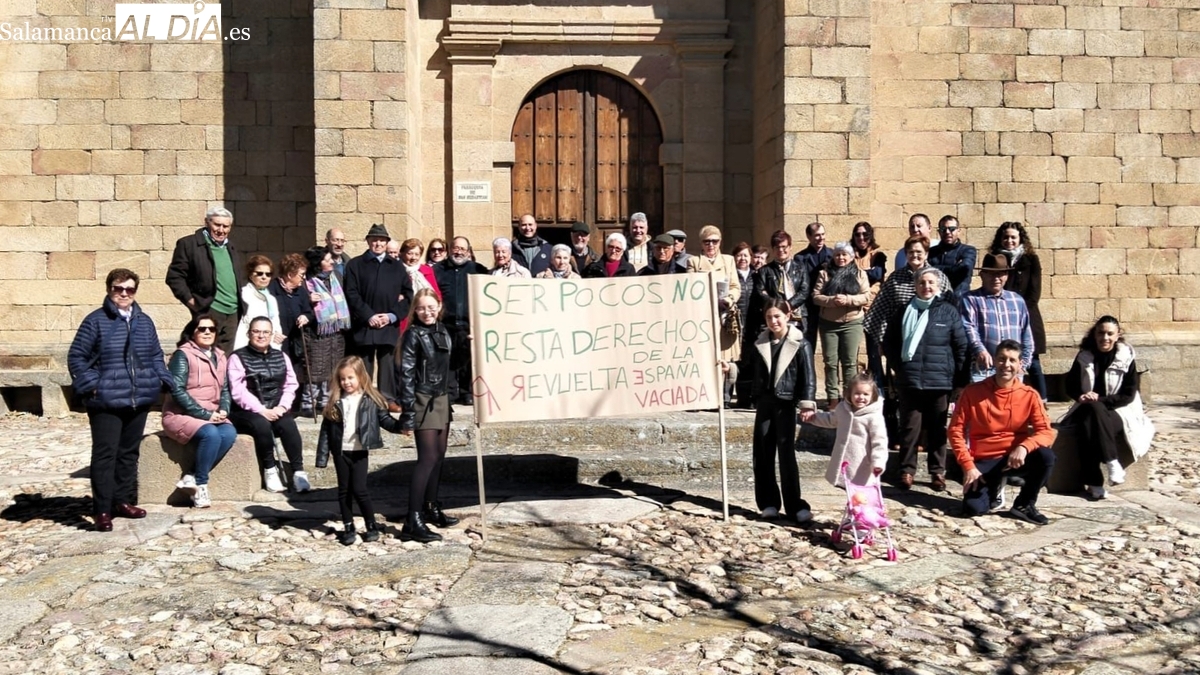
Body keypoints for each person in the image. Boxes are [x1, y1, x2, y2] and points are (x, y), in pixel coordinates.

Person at [69, 268, 173, 532]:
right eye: (119, 289)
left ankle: (122, 501)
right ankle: (102, 509)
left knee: (128, 453)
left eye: (129, 289)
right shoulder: (95, 321)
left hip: (138, 398)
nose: (124, 294)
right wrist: (93, 385)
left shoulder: (144, 321)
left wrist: (162, 380)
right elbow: (76, 357)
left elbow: (155, 355)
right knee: (106, 455)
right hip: (106, 400)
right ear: (109, 289)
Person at [948, 340, 1056, 524]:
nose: (1006, 365)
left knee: (1046, 457)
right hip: (985, 459)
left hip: (1015, 457)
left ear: (1020, 365)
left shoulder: (1029, 394)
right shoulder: (972, 392)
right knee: (974, 508)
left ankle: (1024, 504)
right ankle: (995, 487)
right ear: (994, 361)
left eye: (1012, 360)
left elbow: (1046, 432)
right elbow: (955, 430)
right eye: (1002, 359)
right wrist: (968, 466)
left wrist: (1024, 446)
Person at [882, 267, 968, 492]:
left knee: (937, 428)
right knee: (909, 428)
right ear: (915, 286)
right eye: (922, 283)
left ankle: (937, 472)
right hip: (910, 380)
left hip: (939, 381)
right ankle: (906, 471)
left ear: (938, 286)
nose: (926, 287)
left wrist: (959, 379)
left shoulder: (948, 312)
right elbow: (889, 342)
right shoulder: (903, 311)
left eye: (930, 283)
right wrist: (899, 368)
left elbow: (960, 346)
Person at [1062, 316, 1155, 500]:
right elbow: (1070, 385)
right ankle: (1112, 462)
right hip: (1087, 407)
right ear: (1094, 334)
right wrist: (1081, 396)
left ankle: (1095, 482)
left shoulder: (1126, 356)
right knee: (1091, 417)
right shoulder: (1084, 356)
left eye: (1110, 334)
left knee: (1091, 421)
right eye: (1101, 333)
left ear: (1117, 335)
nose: (1105, 338)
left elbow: (1128, 394)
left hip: (1120, 410)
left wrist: (1101, 400)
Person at [316, 356, 405, 545]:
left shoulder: (371, 400)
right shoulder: (336, 401)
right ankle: (349, 527)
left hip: (359, 450)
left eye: (350, 378)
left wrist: (400, 427)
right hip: (341, 451)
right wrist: (322, 457)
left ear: (361, 377)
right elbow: (326, 431)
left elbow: (385, 420)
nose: (346, 382)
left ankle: (371, 524)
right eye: (342, 379)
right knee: (344, 491)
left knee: (360, 489)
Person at [397, 289, 461, 542]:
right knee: (427, 458)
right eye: (421, 308)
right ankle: (412, 519)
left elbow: (453, 362)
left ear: (439, 306)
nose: (427, 312)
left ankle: (431, 507)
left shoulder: (442, 330)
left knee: (440, 456)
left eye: (431, 306)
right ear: (415, 310)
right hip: (423, 398)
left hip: (441, 397)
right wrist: (408, 412)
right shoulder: (413, 334)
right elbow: (406, 375)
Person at [750, 298, 816, 524]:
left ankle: (795, 504)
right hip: (765, 404)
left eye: (777, 316)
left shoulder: (801, 344)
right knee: (763, 454)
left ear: (787, 316)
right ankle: (768, 502)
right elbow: (749, 367)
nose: (773, 321)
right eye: (769, 317)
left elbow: (809, 377)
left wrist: (807, 403)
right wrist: (732, 368)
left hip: (786, 404)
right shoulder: (760, 342)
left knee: (786, 455)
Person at [162, 314, 238, 509]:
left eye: (211, 329)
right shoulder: (183, 355)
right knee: (211, 434)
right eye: (201, 329)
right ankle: (201, 485)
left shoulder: (220, 356)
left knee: (229, 433)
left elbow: (225, 389)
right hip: (181, 414)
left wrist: (224, 409)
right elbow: (176, 389)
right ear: (192, 332)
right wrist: (205, 415)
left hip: (212, 413)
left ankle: (192, 475)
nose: (206, 332)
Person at [228, 317, 310, 493]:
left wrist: (282, 407)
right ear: (249, 333)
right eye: (256, 331)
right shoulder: (237, 357)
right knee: (261, 424)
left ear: (271, 334)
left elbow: (291, 384)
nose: (261, 335)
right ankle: (270, 469)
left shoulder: (281, 356)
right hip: (246, 410)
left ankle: (298, 472)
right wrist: (261, 410)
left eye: (265, 332)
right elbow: (238, 390)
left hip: (276, 406)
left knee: (288, 424)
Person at [343, 223, 412, 409]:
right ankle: (365, 397)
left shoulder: (397, 266)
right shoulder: (355, 265)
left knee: (388, 363)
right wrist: (368, 316)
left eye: (382, 240)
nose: (378, 243)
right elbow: (351, 293)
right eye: (374, 240)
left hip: (388, 324)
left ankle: (388, 399)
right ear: (368, 241)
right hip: (365, 324)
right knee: (364, 363)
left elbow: (408, 296)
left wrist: (391, 316)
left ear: (387, 242)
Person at [166, 206, 246, 352]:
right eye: (217, 225)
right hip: (209, 309)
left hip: (233, 312)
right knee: (204, 353)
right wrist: (190, 301)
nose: (221, 230)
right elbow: (174, 276)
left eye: (226, 226)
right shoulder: (189, 244)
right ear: (207, 223)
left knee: (224, 358)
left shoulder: (231, 247)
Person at [862, 235, 951, 352]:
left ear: (926, 254)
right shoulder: (895, 278)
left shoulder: (938, 277)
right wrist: (883, 340)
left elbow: (950, 309)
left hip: (933, 340)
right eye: (911, 252)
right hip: (901, 339)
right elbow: (880, 311)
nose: (915, 255)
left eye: (919, 252)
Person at [800, 371, 888, 488]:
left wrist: (878, 462)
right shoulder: (843, 409)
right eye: (857, 393)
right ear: (849, 394)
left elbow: (879, 442)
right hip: (844, 462)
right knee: (848, 492)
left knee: (861, 497)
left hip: (863, 464)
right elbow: (831, 420)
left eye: (865, 394)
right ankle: (850, 507)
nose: (861, 397)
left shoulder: (873, 416)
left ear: (872, 396)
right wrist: (813, 418)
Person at [991, 221, 1047, 401]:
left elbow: (1034, 292)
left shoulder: (1031, 259)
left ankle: (1042, 400)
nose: (1009, 240)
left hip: (1027, 316)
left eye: (1013, 237)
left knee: (1033, 363)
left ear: (1020, 239)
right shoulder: (996, 259)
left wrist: (1018, 311)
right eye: (1005, 237)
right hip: (1002, 317)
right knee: (1007, 358)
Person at [811, 242, 871, 408]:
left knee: (850, 362)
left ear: (851, 257)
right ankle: (833, 397)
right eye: (838, 254)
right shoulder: (824, 274)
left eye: (844, 254)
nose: (841, 258)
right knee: (830, 361)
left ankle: (849, 396)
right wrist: (831, 301)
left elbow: (866, 296)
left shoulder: (860, 274)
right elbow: (816, 296)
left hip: (852, 322)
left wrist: (849, 300)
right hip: (828, 323)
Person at [688, 225, 742, 406]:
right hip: (703, 316)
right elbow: (690, 288)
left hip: (724, 316)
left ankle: (724, 397)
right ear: (701, 243)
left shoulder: (728, 261)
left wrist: (730, 299)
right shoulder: (694, 262)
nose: (711, 245)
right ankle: (706, 397)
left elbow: (735, 286)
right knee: (706, 357)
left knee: (725, 358)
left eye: (715, 241)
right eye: (707, 241)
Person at [960, 253, 1034, 382]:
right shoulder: (970, 299)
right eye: (991, 274)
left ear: (1007, 276)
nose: (996, 278)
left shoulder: (1017, 300)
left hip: (1012, 368)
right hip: (984, 368)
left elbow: (1026, 333)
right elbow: (968, 328)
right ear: (982, 275)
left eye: (1001, 274)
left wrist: (1025, 362)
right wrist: (980, 351)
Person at [435, 237, 489, 404]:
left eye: (462, 248)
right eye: (455, 247)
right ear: (449, 249)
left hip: (469, 324)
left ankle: (467, 393)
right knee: (447, 359)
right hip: (446, 324)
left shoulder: (479, 270)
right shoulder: (438, 270)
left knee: (467, 361)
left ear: (468, 250)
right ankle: (450, 393)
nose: (458, 251)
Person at [303, 246, 350, 414]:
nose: (331, 262)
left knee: (332, 366)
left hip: (336, 331)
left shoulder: (335, 277)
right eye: (327, 259)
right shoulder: (306, 281)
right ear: (317, 263)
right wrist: (308, 299)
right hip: (317, 331)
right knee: (316, 366)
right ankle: (309, 402)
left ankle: (326, 400)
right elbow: (299, 302)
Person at [268, 253, 315, 393]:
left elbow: (309, 312)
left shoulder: (301, 291)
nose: (304, 278)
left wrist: (306, 317)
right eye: (301, 274)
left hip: (295, 345)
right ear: (289, 274)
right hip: (277, 343)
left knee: (294, 379)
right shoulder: (271, 290)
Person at [851, 221, 887, 387]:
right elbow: (847, 279)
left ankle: (879, 391)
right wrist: (867, 273)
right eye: (858, 234)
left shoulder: (878, 256)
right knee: (851, 352)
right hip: (853, 308)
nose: (861, 238)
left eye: (865, 234)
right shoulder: (849, 254)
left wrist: (857, 274)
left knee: (874, 352)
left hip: (873, 309)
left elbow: (877, 274)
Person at [756, 229, 810, 334]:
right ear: (773, 249)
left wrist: (789, 305)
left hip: (797, 317)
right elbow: (760, 292)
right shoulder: (765, 270)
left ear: (790, 247)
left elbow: (804, 291)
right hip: (774, 318)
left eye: (784, 246)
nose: (781, 250)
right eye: (777, 247)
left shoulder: (801, 268)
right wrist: (779, 307)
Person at [232, 255, 283, 352]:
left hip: (270, 348)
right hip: (247, 347)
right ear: (251, 275)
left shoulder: (271, 299)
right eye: (260, 273)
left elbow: (275, 322)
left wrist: (277, 334)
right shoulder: (243, 294)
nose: (264, 277)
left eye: (268, 274)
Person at [795, 222, 833, 350]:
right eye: (817, 235)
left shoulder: (833, 255)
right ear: (809, 237)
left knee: (830, 345)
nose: (821, 238)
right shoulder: (800, 258)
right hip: (809, 306)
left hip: (829, 306)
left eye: (823, 234)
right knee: (808, 342)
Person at [928, 215, 976, 302]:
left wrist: (934, 269)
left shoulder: (968, 250)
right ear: (939, 232)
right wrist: (954, 268)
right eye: (943, 229)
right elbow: (924, 271)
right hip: (934, 301)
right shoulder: (931, 252)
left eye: (952, 229)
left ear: (958, 231)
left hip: (959, 300)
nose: (947, 232)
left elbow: (964, 268)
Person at [732, 242, 756, 408]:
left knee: (750, 362)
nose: (742, 258)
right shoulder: (731, 276)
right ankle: (735, 398)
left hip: (752, 324)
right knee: (736, 362)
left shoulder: (757, 275)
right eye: (739, 255)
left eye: (745, 255)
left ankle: (749, 399)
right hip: (735, 324)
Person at [399, 238, 442, 323]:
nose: (413, 257)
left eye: (417, 254)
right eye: (410, 253)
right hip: (404, 317)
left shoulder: (427, 270)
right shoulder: (396, 270)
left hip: (425, 316)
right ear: (402, 253)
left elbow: (436, 294)